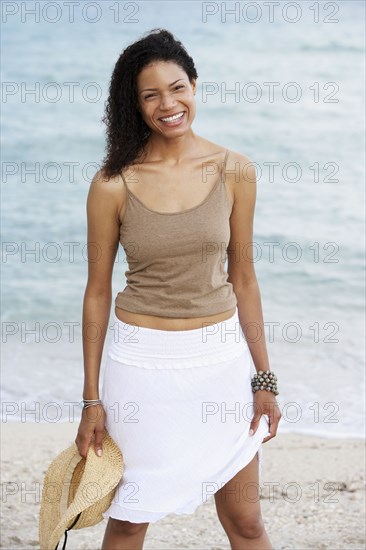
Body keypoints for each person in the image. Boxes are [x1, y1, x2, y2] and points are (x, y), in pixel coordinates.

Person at [75, 28, 281, 550]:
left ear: (195, 86)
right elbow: (97, 292)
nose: (169, 104)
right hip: (140, 371)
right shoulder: (112, 184)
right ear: (135, 104)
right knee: (128, 521)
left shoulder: (235, 170)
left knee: (247, 523)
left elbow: (245, 278)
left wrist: (265, 378)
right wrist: (92, 400)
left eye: (177, 87)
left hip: (220, 366)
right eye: (151, 95)